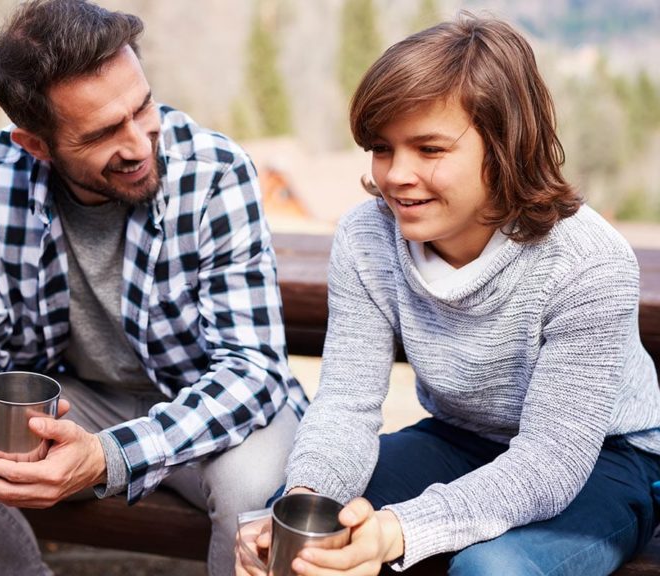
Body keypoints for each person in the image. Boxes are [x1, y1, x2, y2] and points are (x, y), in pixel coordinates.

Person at [0, 1, 308, 575]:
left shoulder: (214, 172)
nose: (140, 144)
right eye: (105, 132)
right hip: (76, 405)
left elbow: (254, 372)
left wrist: (111, 457)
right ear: (36, 144)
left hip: (210, 406)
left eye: (142, 107)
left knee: (256, 486)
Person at [236, 13, 660, 576]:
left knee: (492, 569)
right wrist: (306, 497)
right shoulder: (366, 238)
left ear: (505, 145)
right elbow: (345, 405)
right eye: (382, 149)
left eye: (430, 149)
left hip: (605, 460)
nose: (397, 176)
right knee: (301, 530)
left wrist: (398, 531)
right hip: (461, 437)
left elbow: (551, 462)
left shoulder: (588, 262)